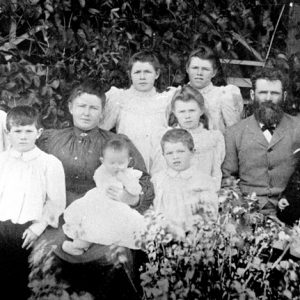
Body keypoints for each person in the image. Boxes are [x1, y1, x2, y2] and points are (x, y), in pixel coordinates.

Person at [35, 80, 154, 299]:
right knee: (44, 251)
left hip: (105, 217)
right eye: (81, 106)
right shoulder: (50, 140)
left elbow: (144, 183)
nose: (87, 113)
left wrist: (129, 197)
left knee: (114, 257)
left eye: (94, 108)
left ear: (102, 112)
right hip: (60, 217)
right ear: (70, 107)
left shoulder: (117, 144)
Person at [0, 106, 66, 299]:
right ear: (7, 133)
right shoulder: (2, 161)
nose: (22, 137)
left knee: (21, 279)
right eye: (17, 131)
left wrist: (39, 226)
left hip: (29, 230)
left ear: (38, 133)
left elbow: (56, 202)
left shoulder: (49, 163)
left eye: (28, 131)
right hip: (2, 226)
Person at [222, 68, 300, 215]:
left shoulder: (298, 128)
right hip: (248, 212)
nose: (268, 98)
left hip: (291, 212)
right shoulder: (234, 132)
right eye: (263, 92)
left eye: (275, 93)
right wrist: (243, 210)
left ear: (283, 96)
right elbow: (228, 180)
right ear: (252, 95)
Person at [62, 136, 145, 255]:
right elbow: (102, 183)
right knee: (88, 223)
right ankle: (78, 246)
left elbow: (136, 190)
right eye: (112, 162)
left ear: (129, 161)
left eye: (121, 163)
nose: (116, 166)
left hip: (118, 203)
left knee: (125, 225)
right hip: (99, 202)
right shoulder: (102, 171)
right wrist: (117, 177)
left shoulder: (129, 174)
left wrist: (125, 179)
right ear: (103, 161)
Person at [99, 50, 177, 171]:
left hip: (159, 161)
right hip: (128, 162)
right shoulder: (120, 98)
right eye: (137, 72)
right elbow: (101, 130)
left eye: (147, 72)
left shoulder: (166, 99)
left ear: (157, 74)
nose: (142, 77)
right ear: (130, 74)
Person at [151, 85, 225, 189]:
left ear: (201, 110)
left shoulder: (213, 138)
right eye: (182, 111)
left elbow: (216, 173)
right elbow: (158, 174)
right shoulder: (164, 136)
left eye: (192, 111)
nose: (187, 116)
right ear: (174, 112)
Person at [152, 128, 218, 233]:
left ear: (192, 152)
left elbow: (210, 216)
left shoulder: (204, 181)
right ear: (163, 155)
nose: (175, 157)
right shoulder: (158, 180)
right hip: (165, 236)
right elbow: (155, 211)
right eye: (169, 153)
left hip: (195, 236)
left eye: (180, 151)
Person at [186, 45, 244, 133]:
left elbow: (234, 134)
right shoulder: (175, 95)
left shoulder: (223, 95)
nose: (199, 73)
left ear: (214, 72)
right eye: (195, 68)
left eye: (205, 69)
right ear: (187, 69)